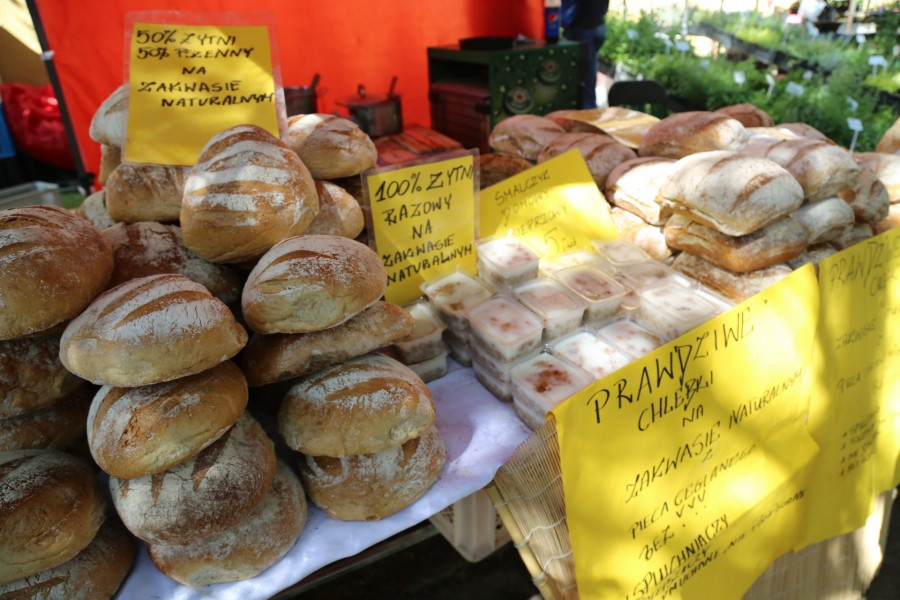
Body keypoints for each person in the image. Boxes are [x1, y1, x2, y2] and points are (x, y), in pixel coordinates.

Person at [561, 0, 610, 109]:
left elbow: (567, 14)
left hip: (583, 29)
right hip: (596, 26)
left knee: (584, 78)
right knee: (588, 73)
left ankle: (587, 112)